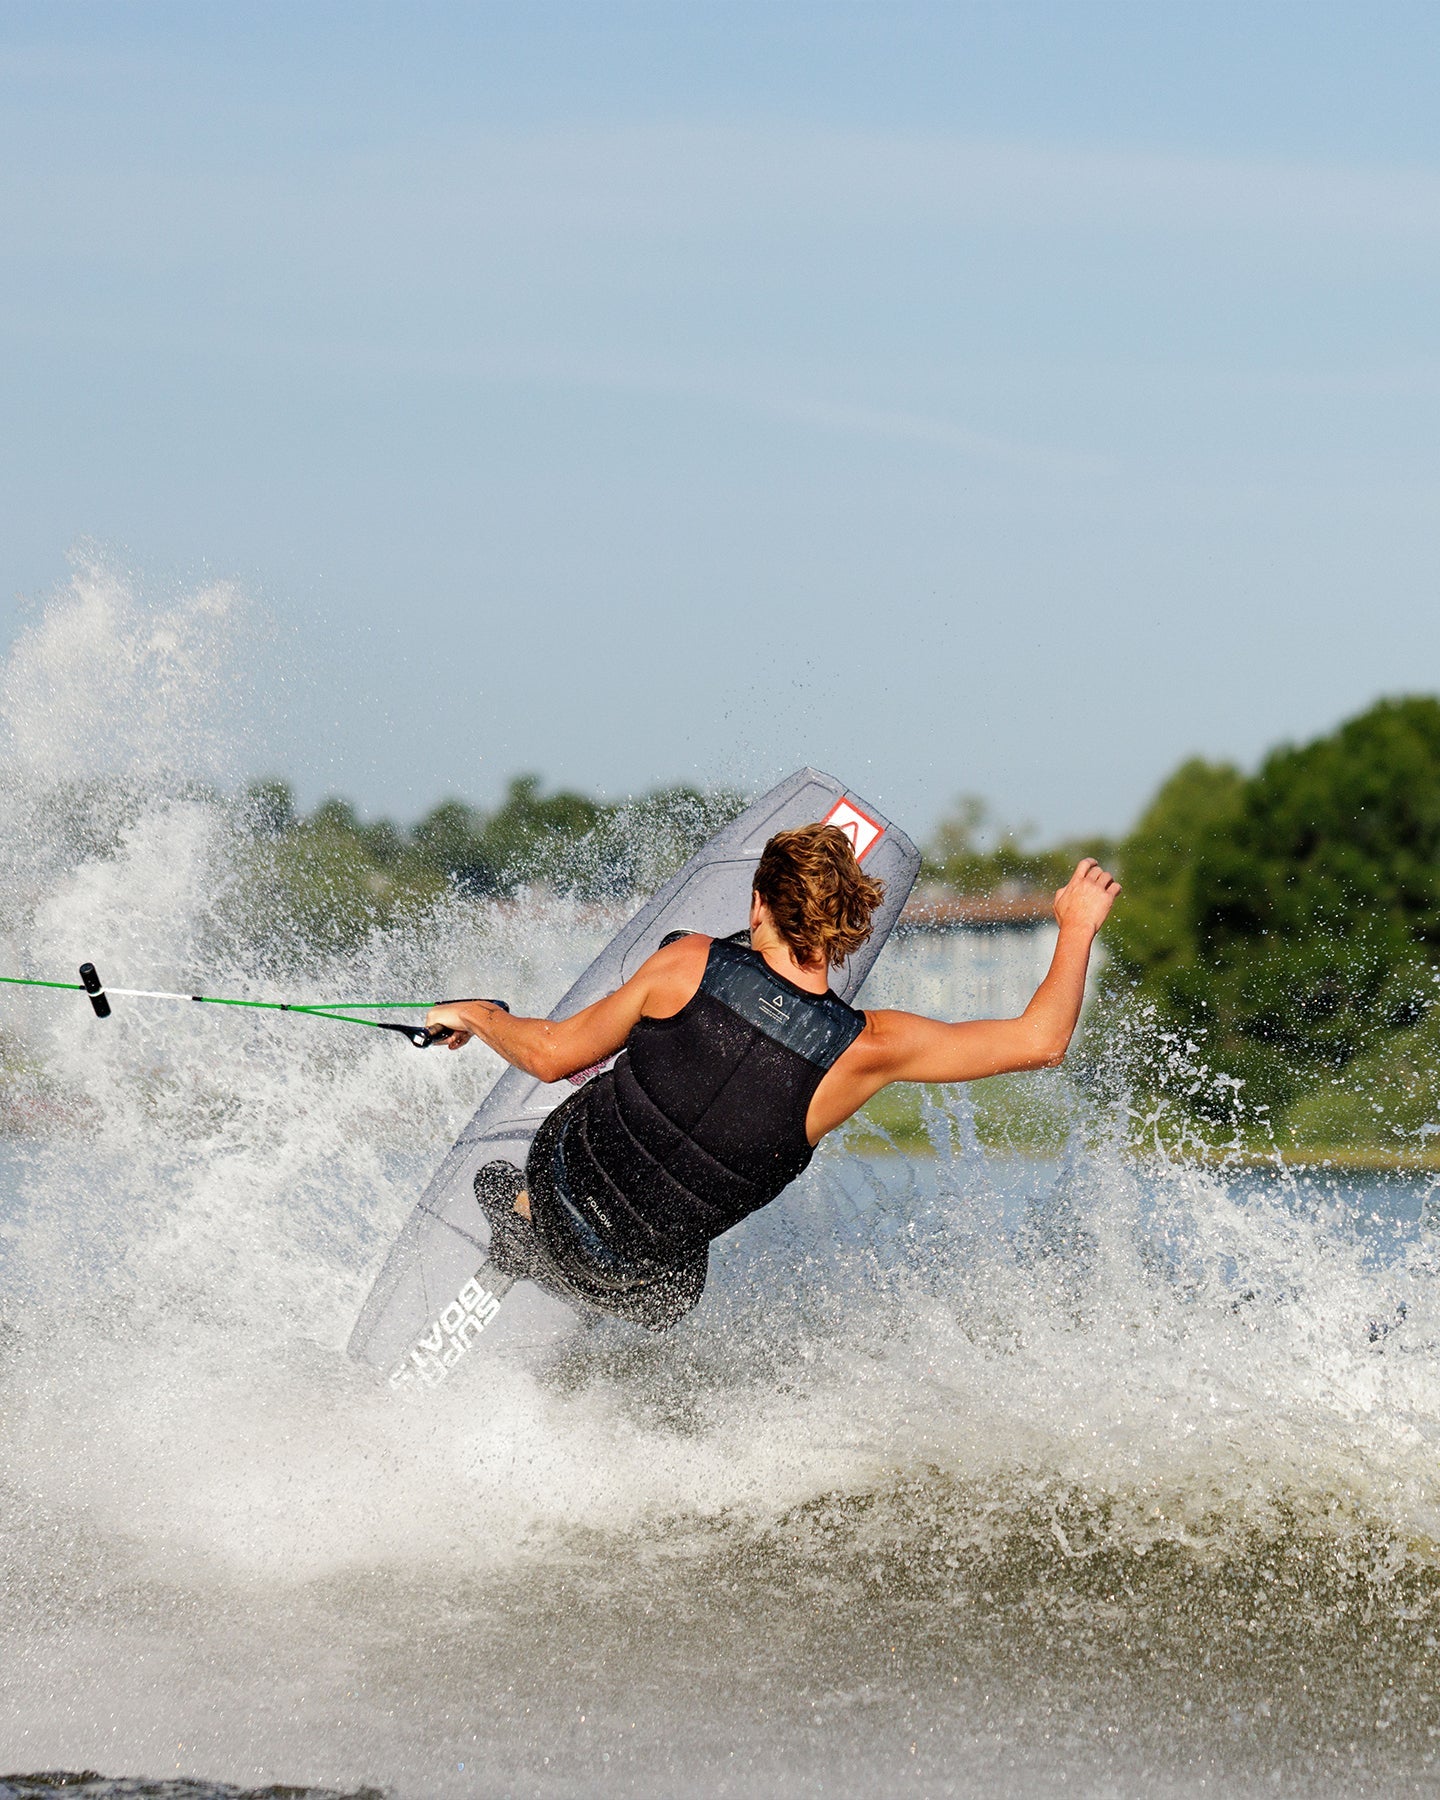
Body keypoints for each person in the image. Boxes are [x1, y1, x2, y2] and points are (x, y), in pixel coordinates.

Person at [425, 823, 1119, 1330]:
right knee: (678, 1262)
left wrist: (480, 1014)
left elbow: (547, 1055)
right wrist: (1078, 924)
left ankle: (519, 1227)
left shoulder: (688, 962)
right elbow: (1042, 1040)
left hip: (554, 1199)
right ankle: (607, 1310)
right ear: (850, 928)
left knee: (608, 1068)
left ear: (758, 905)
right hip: (645, 1282)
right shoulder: (872, 1048)